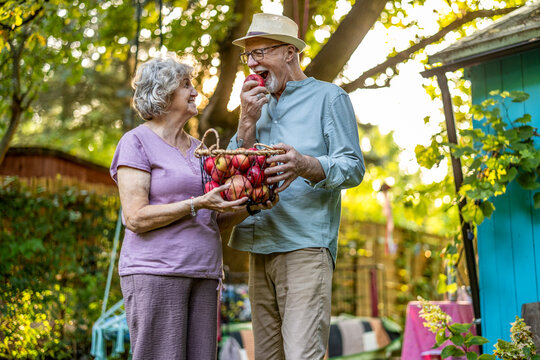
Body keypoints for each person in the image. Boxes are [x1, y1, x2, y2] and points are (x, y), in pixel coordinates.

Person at [109, 54, 276, 360]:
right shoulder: (136, 143)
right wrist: (195, 203)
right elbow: (134, 218)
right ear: (162, 92)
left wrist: (253, 205)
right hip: (157, 272)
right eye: (186, 84)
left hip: (204, 272)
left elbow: (212, 218)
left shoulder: (201, 150)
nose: (195, 92)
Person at [228, 13, 366, 359]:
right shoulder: (253, 105)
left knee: (302, 354)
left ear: (289, 52)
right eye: (248, 55)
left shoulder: (329, 98)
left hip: (305, 247)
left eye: (261, 52)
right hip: (258, 247)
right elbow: (230, 172)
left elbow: (353, 167)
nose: (253, 62)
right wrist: (245, 122)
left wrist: (306, 164)